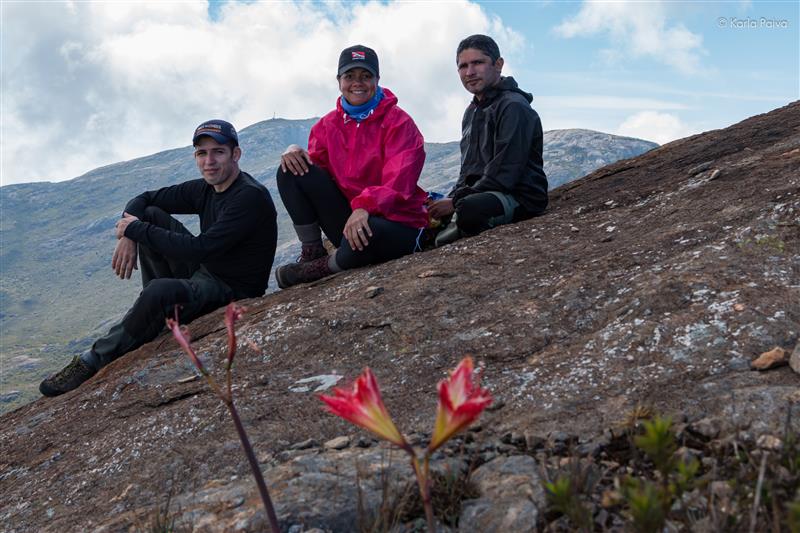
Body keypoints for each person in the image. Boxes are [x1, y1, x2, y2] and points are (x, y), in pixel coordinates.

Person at [39, 120, 278, 397]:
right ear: (195, 157)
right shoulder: (205, 189)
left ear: (235, 154)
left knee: (159, 287)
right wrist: (128, 234)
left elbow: (202, 248)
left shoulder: (248, 196)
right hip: (205, 271)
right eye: (202, 154)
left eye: (218, 152)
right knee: (151, 214)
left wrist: (136, 229)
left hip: (232, 289)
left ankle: (91, 360)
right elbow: (144, 198)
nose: (209, 161)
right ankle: (155, 317)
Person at [275, 44, 428, 288]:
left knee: (371, 231)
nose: (357, 83)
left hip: (396, 222)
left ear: (377, 80)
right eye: (350, 76)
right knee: (290, 169)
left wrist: (364, 207)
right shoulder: (327, 125)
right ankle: (313, 252)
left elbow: (399, 182)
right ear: (339, 81)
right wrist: (294, 151)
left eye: (366, 76)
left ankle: (324, 269)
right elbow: (317, 170)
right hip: (352, 221)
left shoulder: (399, 123)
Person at [428, 34, 548, 246]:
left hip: (518, 197)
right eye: (463, 66)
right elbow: (468, 171)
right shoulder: (472, 111)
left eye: (477, 63)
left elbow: (505, 172)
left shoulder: (514, 107)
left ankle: (445, 234)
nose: (470, 72)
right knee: (423, 209)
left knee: (469, 210)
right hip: (481, 193)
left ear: (498, 64)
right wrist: (449, 198)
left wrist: (456, 202)